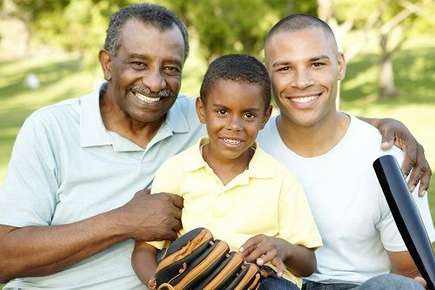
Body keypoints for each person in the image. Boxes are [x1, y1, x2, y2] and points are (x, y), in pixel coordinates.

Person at [0, 3, 431, 290]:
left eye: (170, 68)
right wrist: (124, 221)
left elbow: (280, 110)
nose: (155, 83)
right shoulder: (50, 129)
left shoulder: (202, 119)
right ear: (106, 63)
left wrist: (382, 130)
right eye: (138, 64)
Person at [257, 14, 434, 290]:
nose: (301, 81)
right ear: (267, 74)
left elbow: (410, 274)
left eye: (316, 64)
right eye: (284, 68)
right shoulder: (246, 146)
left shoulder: (387, 156)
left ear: (339, 65)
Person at [132, 54, 322, 290]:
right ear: (202, 110)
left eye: (249, 115)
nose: (234, 126)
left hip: (263, 283)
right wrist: (159, 285)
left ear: (265, 117)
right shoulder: (177, 170)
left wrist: (282, 248)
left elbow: (308, 263)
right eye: (222, 112)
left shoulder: (281, 179)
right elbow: (144, 251)